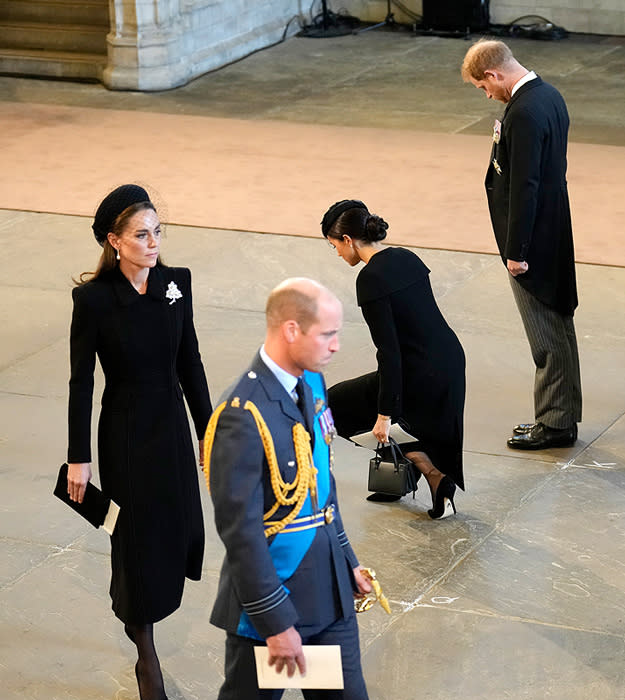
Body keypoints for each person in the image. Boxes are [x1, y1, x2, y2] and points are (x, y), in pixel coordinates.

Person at [66, 184, 212, 700]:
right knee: (134, 535)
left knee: (178, 525)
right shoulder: (94, 301)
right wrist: (77, 458)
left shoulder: (177, 284)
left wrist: (206, 428)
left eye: (157, 232)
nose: (153, 243)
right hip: (126, 431)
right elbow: (81, 380)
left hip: (170, 421)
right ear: (114, 241)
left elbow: (189, 360)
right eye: (141, 235)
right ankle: (144, 649)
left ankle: (142, 606)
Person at [204, 278, 371, 700]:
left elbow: (321, 485)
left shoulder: (312, 383)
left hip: (328, 591)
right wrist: (276, 623)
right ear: (291, 330)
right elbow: (240, 533)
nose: (335, 346)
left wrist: (346, 559)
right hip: (274, 602)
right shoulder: (241, 415)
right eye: (328, 335)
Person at [461, 38, 582, 450]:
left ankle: (554, 424)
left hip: (533, 239)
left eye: (483, 88)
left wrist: (517, 250)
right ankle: (562, 415)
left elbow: (525, 185)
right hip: (553, 227)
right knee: (559, 323)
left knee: (545, 332)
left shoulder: (525, 111)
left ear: (493, 74)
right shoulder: (548, 95)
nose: (487, 95)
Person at [320, 199, 466, 519]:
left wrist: (385, 413)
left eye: (334, 246)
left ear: (348, 240)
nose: (338, 254)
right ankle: (408, 477)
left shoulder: (370, 279)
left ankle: (433, 475)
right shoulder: (405, 256)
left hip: (418, 370)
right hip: (450, 360)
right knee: (400, 421)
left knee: (332, 407)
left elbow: (389, 351)